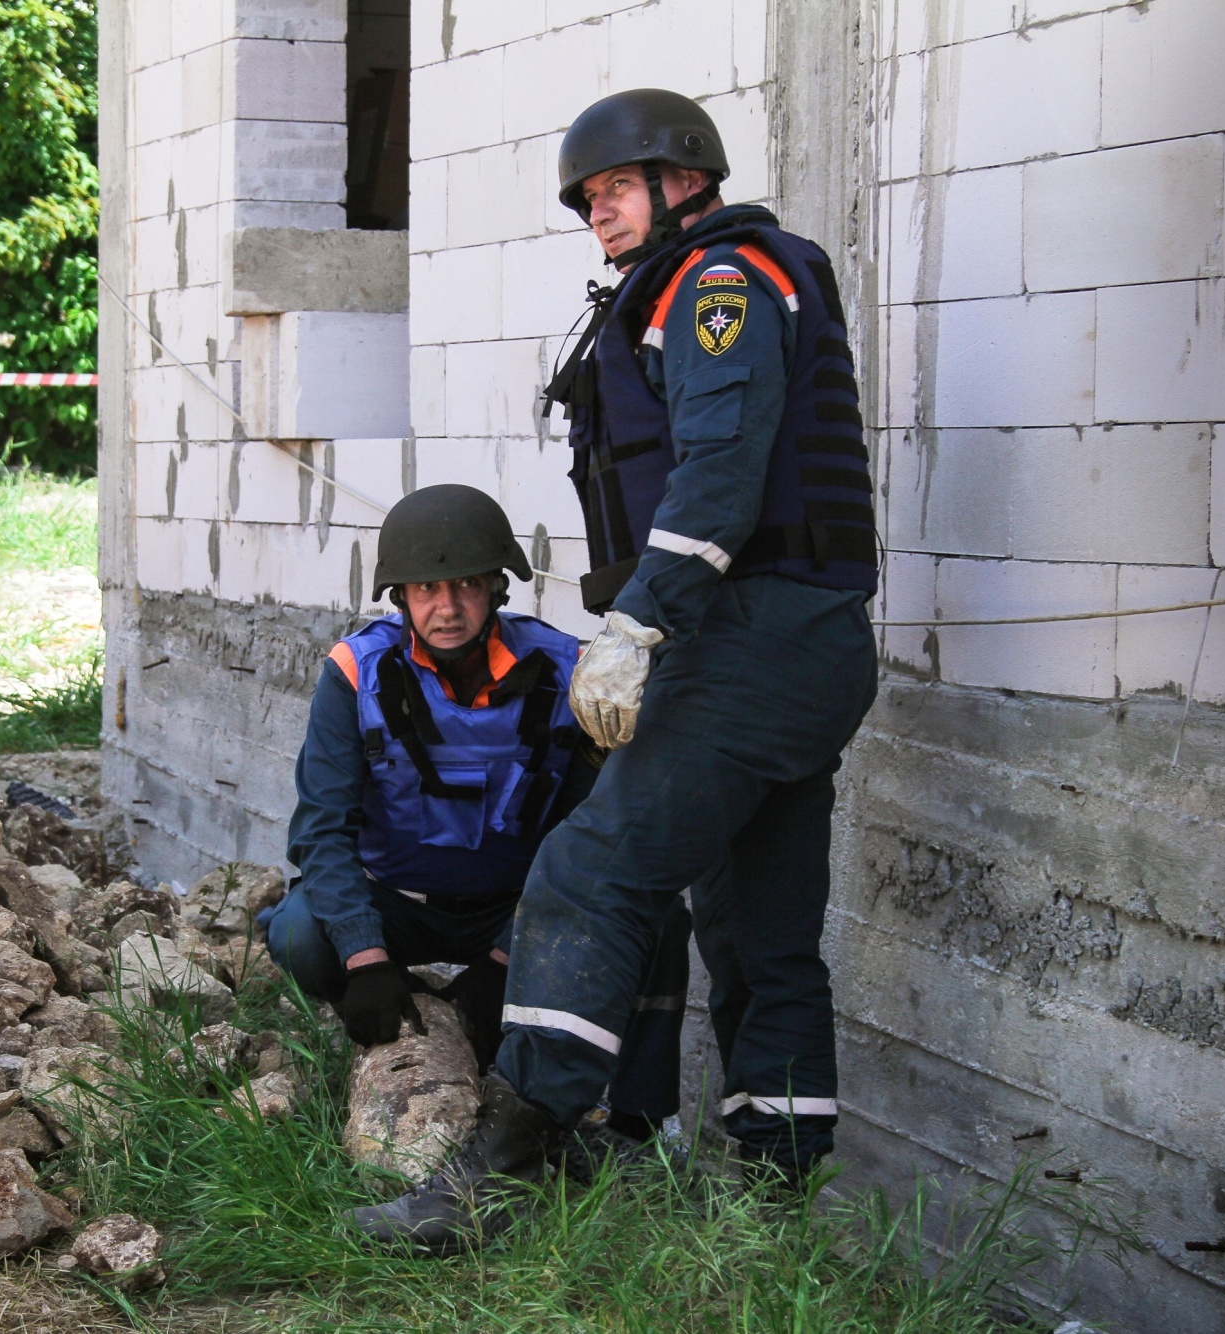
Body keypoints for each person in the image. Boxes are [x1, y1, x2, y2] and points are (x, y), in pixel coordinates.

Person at [351, 88, 879, 1251]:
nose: (597, 210)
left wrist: (639, 620)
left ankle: (494, 1178)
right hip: (801, 643)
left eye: (614, 187)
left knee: (587, 871)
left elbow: (721, 471)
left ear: (683, 179)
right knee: (758, 932)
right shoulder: (708, 280)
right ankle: (774, 1206)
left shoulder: (718, 284)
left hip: (748, 640)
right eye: (586, 197)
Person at [261, 483, 688, 1142]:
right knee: (297, 933)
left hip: (519, 906)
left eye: (466, 585)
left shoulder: (569, 674)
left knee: (655, 915)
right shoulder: (353, 673)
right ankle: (403, 1009)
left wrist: (503, 963)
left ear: (496, 587)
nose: (448, 607)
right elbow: (322, 829)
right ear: (400, 597)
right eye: (427, 589)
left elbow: (589, 834)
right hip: (397, 902)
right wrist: (366, 960)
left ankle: (638, 1124)